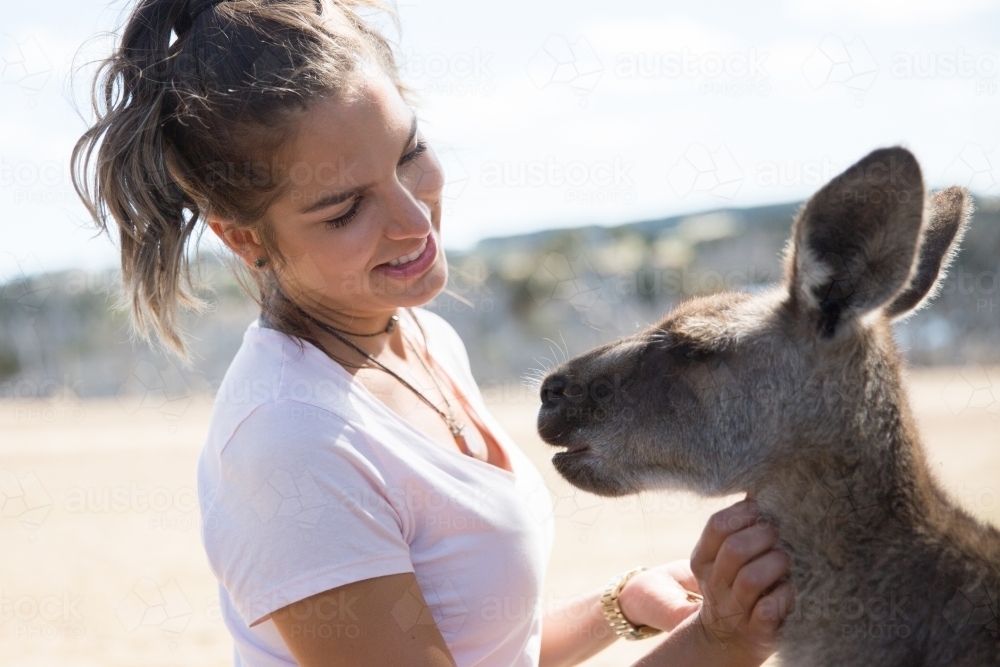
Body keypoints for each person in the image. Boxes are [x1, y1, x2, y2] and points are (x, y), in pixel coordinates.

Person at [72, 1, 794, 665]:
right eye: (345, 208)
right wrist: (721, 641)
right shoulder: (290, 443)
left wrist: (619, 607)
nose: (415, 222)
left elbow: (473, 643)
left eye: (408, 154)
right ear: (242, 238)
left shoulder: (417, 338)